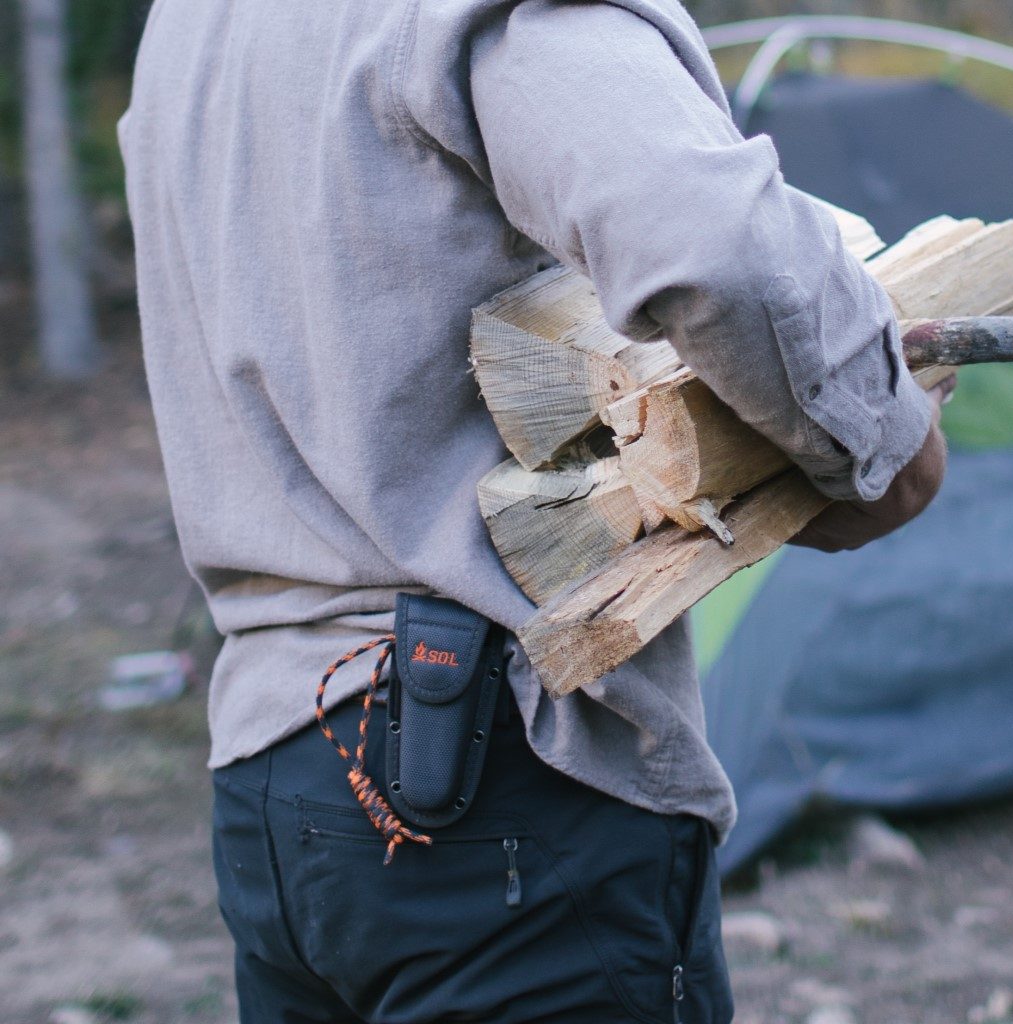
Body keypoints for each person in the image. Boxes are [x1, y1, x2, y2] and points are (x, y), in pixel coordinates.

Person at [118, 0, 953, 1020]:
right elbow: (713, 240)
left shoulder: (195, 19)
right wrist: (885, 446)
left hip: (275, 777)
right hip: (499, 781)